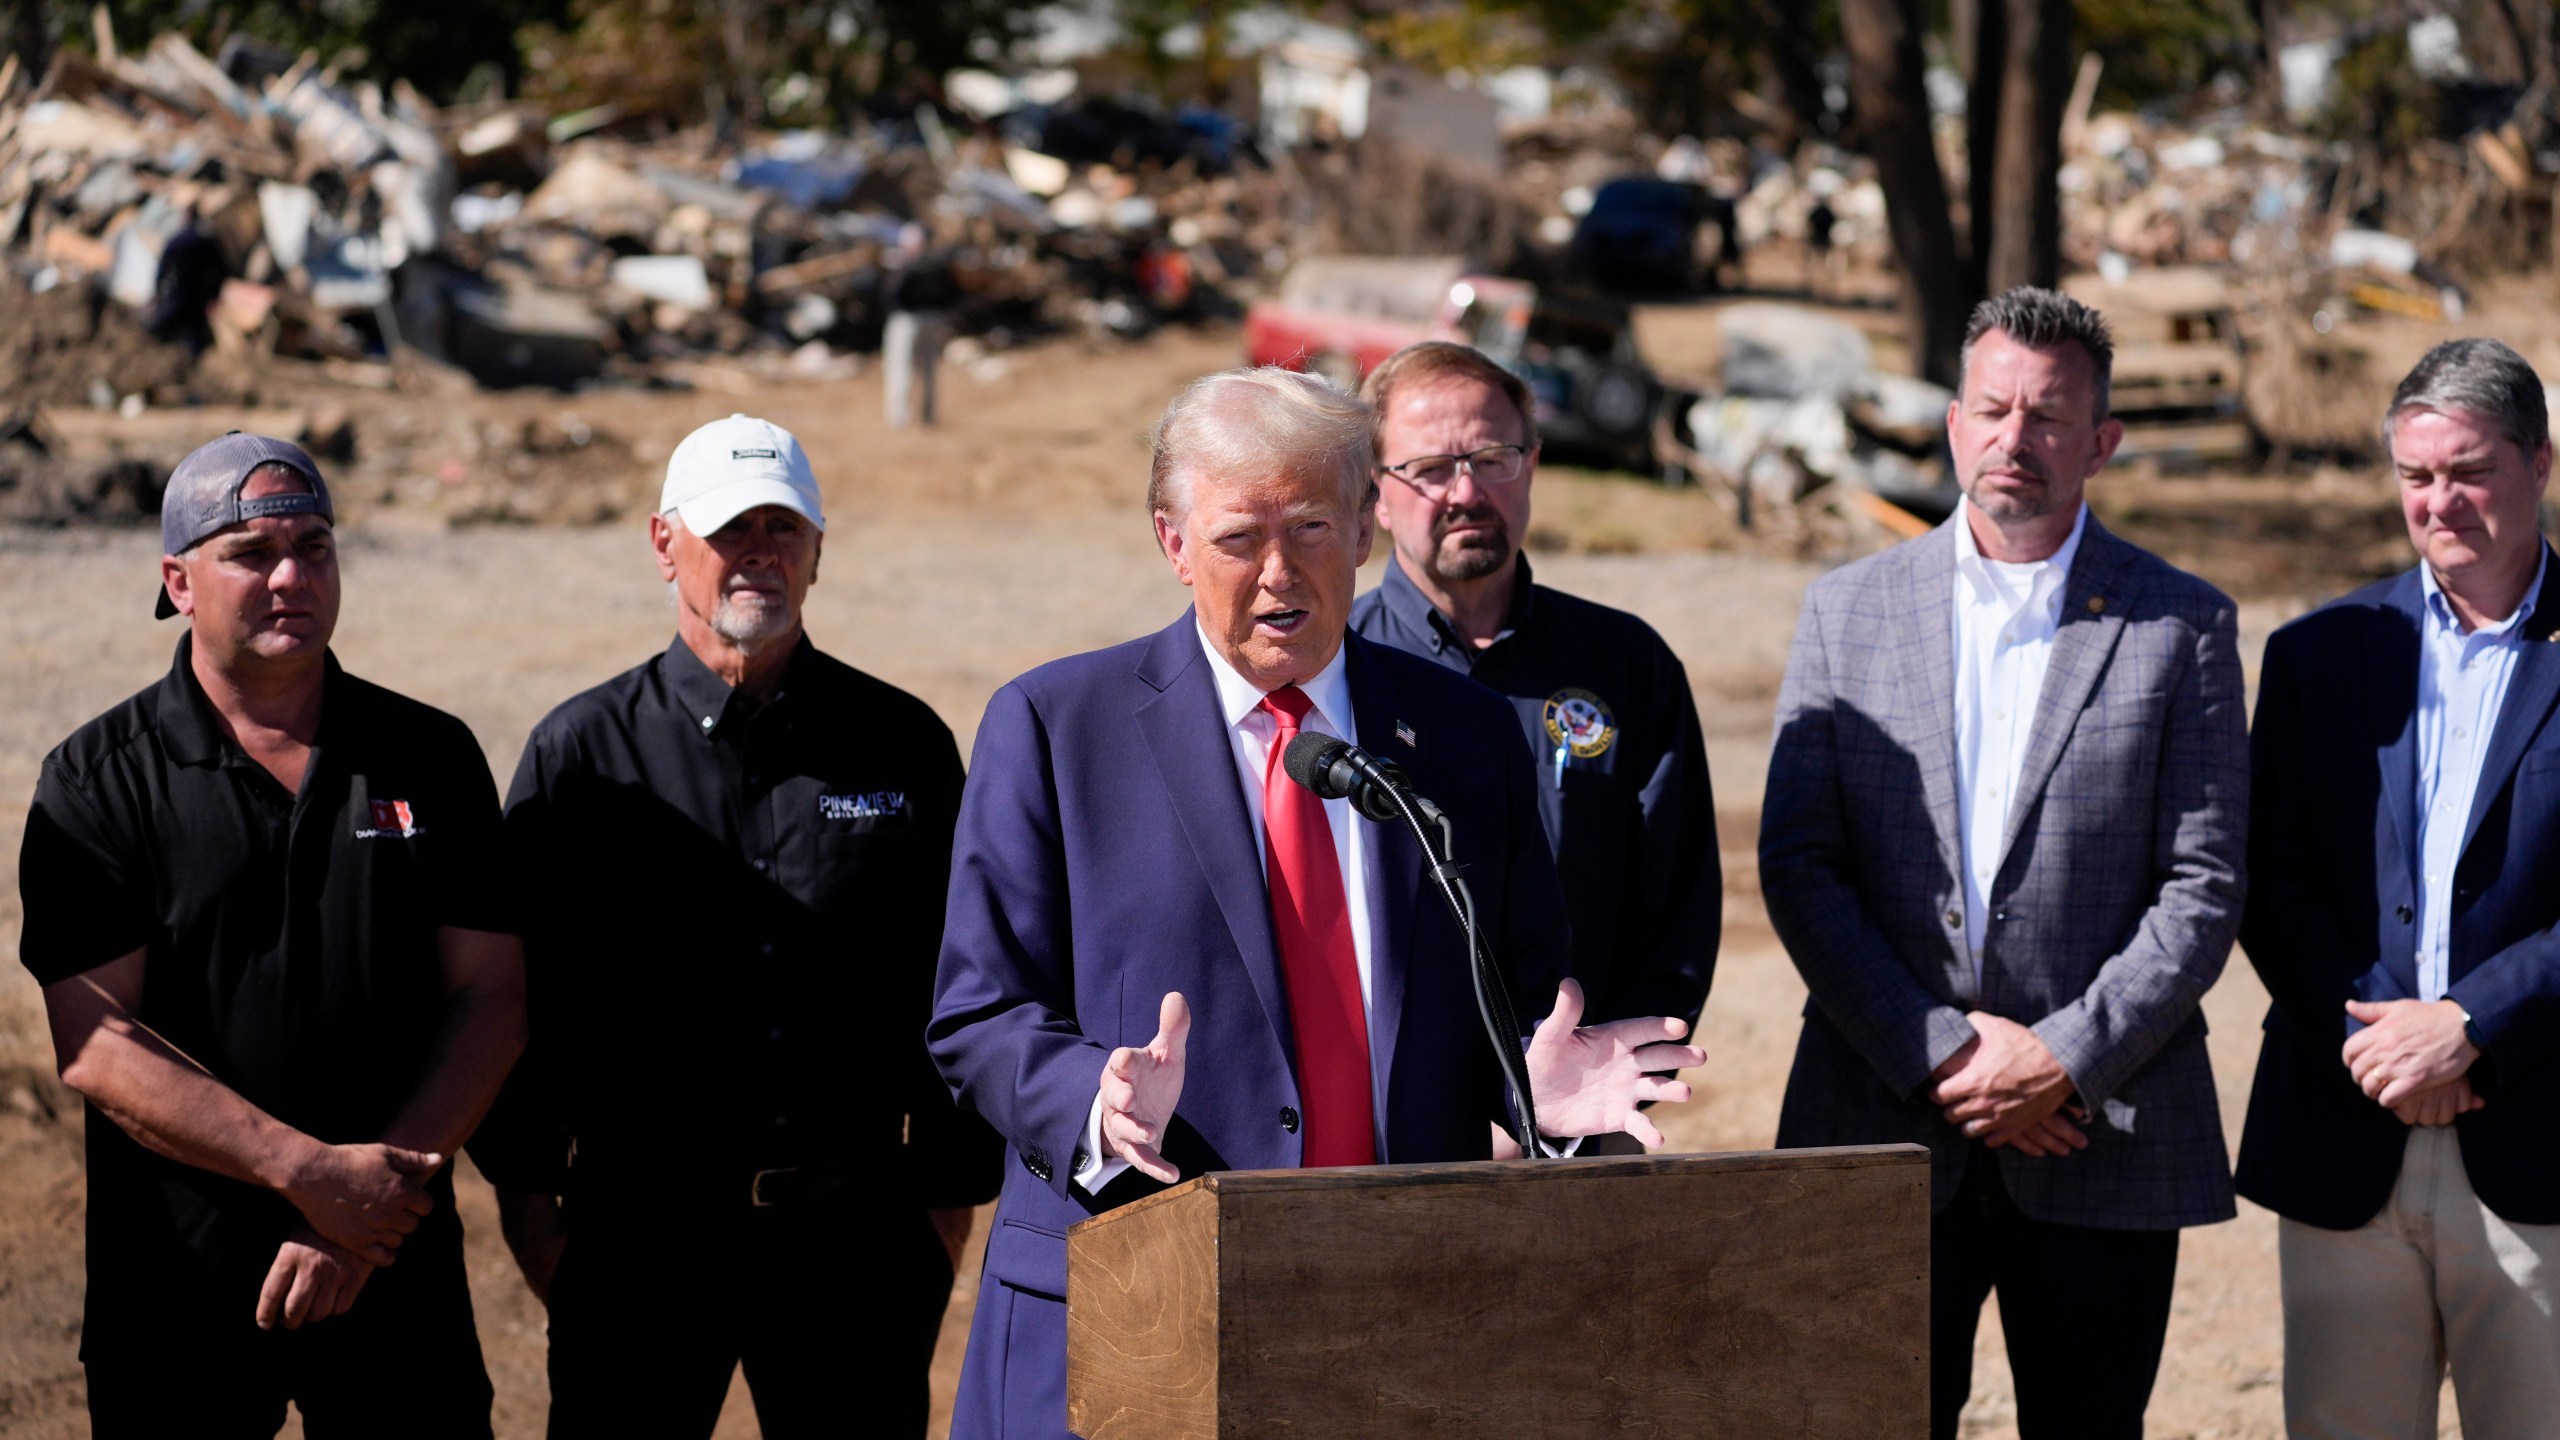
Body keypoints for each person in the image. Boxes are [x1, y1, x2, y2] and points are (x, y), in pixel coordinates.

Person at [928, 366, 1707, 1439]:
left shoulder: (1466, 738)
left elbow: (1514, 1002)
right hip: (1133, 1306)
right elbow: (977, 1015)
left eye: (1311, 527)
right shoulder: (1058, 728)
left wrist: (1536, 1098)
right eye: (1239, 538)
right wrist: (1090, 1101)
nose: (1280, 573)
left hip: (1392, 1312)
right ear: (1171, 542)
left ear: (1362, 532)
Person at [1758, 286, 2247, 1440]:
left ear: (2101, 441)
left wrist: (2060, 1061)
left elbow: (2204, 885)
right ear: (1951, 421)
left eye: (2047, 416)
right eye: (1993, 409)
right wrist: (1945, 1053)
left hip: (2099, 1129)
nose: (2014, 439)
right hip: (1876, 1119)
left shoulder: (2181, 626)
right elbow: (1800, 862)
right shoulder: (1848, 612)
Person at [475, 414, 999, 1438]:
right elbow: (519, 995)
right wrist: (535, 1214)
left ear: (817, 553)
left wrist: (944, 1211)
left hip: (852, 1238)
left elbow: (956, 977)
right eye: (730, 528)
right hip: (637, 1236)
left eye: (782, 526)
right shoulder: (580, 756)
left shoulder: (902, 745)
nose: (758, 549)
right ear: (666, 544)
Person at [16, 433, 525, 1438]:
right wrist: (310, 1177)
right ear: (178, 580)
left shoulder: (429, 753)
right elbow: (96, 1046)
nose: (292, 575)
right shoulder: (97, 781)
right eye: (251, 552)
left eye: (316, 546)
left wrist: (367, 1210)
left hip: (395, 1264)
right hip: (177, 1285)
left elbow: (494, 999)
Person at [2236, 337, 2560, 1440]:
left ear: (2540, 465)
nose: (2440, 503)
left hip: (2540, 1140)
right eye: (2416, 477)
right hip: (2344, 1131)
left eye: (2468, 472)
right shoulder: (2317, 652)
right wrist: (2380, 1038)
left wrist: (2472, 1024)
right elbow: (2264, 875)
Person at [1350, 341, 1719, 1129]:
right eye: (1429, 468)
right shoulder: (1331, 676)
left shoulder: (1627, 666)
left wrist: (1580, 1093)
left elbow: (1676, 910)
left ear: (1534, 464)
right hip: (1373, 1131)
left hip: (1582, 1124)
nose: (1466, 490)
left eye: (1493, 456)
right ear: (1376, 492)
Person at [881, 225, 956, 428]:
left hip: (908, 320)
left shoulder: (907, 267)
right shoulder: (937, 265)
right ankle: (927, 416)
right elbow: (951, 293)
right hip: (932, 319)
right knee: (929, 369)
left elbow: (891, 295)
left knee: (901, 368)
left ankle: (900, 417)